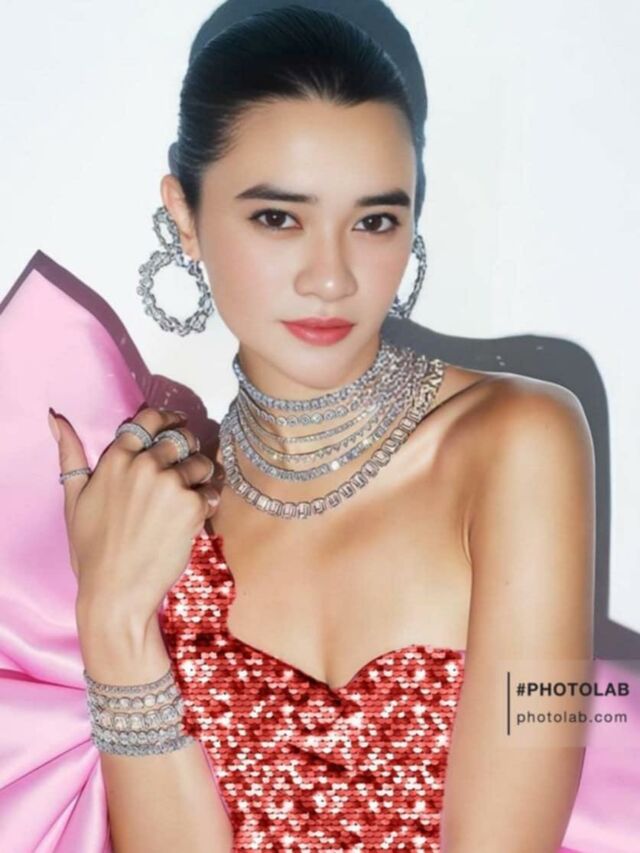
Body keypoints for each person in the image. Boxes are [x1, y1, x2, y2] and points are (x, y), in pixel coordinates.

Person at [0, 5, 598, 852]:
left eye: (374, 220)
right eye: (279, 217)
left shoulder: (524, 443)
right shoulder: (154, 515)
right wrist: (115, 619)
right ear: (184, 216)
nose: (331, 276)